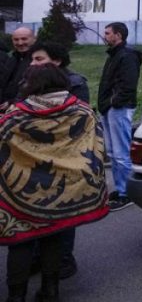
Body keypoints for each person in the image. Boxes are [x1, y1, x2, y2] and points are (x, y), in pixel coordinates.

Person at [1, 64, 108, 302]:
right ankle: (51, 291)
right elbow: (95, 148)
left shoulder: (14, 117)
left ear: (32, 84)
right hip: (65, 190)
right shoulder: (83, 112)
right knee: (54, 238)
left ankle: (16, 296)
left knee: (20, 242)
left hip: (21, 193)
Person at [26, 41, 90, 279]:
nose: (33, 63)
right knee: (34, 213)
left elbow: (79, 125)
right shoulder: (30, 82)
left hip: (65, 162)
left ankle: (63, 259)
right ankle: (37, 259)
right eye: (33, 59)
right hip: (35, 162)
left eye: (39, 59)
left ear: (57, 61)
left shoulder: (75, 84)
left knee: (63, 213)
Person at [98, 22, 142, 211]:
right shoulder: (114, 55)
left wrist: (113, 102)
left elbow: (128, 86)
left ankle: (128, 193)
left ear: (118, 35)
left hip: (119, 109)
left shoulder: (127, 56)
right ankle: (120, 188)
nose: (104, 35)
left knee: (121, 154)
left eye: (108, 33)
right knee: (113, 153)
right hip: (109, 109)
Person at [1, 27, 35, 108]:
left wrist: (12, 102)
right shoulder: (12, 59)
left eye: (24, 39)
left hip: (22, 108)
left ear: (34, 39)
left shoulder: (38, 60)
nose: (20, 43)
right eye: (16, 40)